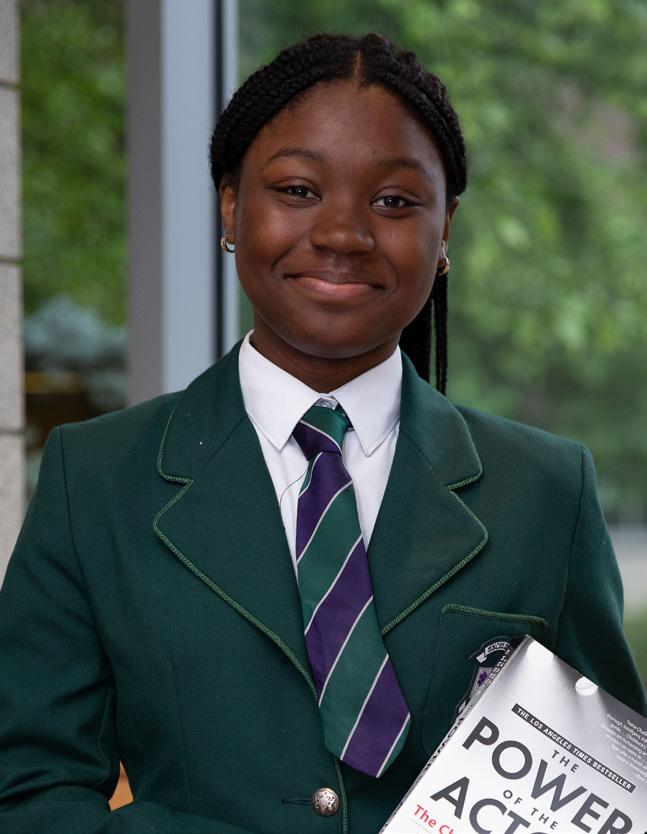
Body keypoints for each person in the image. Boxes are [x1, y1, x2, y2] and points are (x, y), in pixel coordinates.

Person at [0, 32, 644, 834]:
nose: (343, 234)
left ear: (445, 230)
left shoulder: (545, 491)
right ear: (230, 207)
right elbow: (28, 795)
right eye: (298, 190)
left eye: (394, 202)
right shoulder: (95, 478)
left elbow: (610, 800)